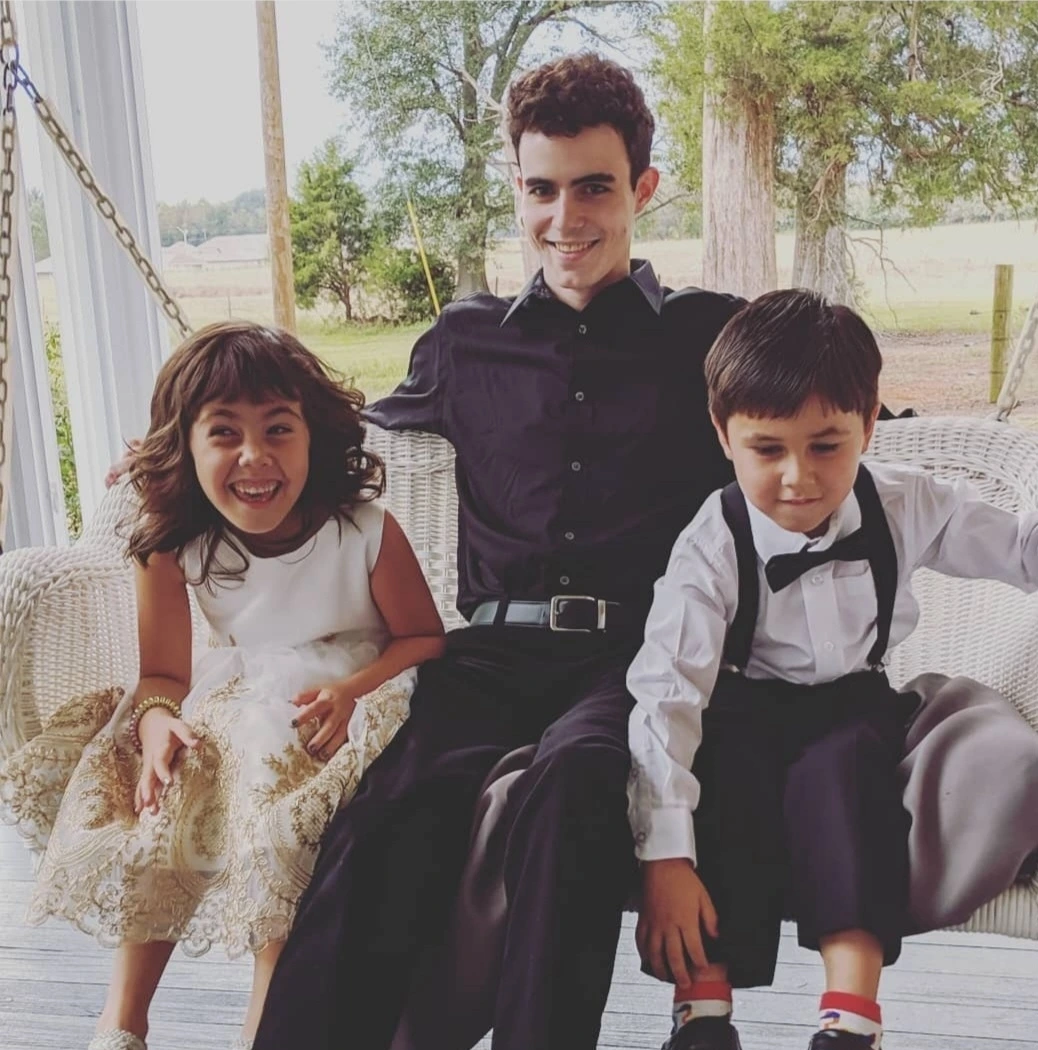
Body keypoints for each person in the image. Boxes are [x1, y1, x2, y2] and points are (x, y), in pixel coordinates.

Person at [248, 53, 744, 1050]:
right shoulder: (462, 342)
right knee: (386, 818)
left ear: (643, 189)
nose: (566, 218)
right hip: (488, 656)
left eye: (594, 188)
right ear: (516, 188)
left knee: (572, 794)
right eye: (542, 189)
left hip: (636, 660)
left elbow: (827, 425)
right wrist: (181, 452)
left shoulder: (710, 338)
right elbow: (329, 433)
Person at [0, 321, 446, 1050]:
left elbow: (424, 638)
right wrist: (155, 722)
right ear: (186, 446)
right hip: (239, 700)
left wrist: (354, 690)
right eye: (224, 433)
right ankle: (122, 1020)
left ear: (313, 435)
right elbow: (163, 674)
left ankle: (266, 1029)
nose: (255, 456)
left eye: (278, 429)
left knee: (277, 832)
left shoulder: (365, 532)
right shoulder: (172, 544)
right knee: (169, 788)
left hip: (345, 706)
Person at [627, 289, 1038, 1050]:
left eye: (825, 446)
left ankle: (850, 1020)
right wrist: (665, 856)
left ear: (869, 424)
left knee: (847, 784)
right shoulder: (710, 546)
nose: (798, 478)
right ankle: (703, 1011)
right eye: (767, 449)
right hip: (740, 705)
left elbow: (1019, 552)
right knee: (727, 782)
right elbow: (667, 694)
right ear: (723, 434)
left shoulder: (909, 503)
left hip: (852, 705)